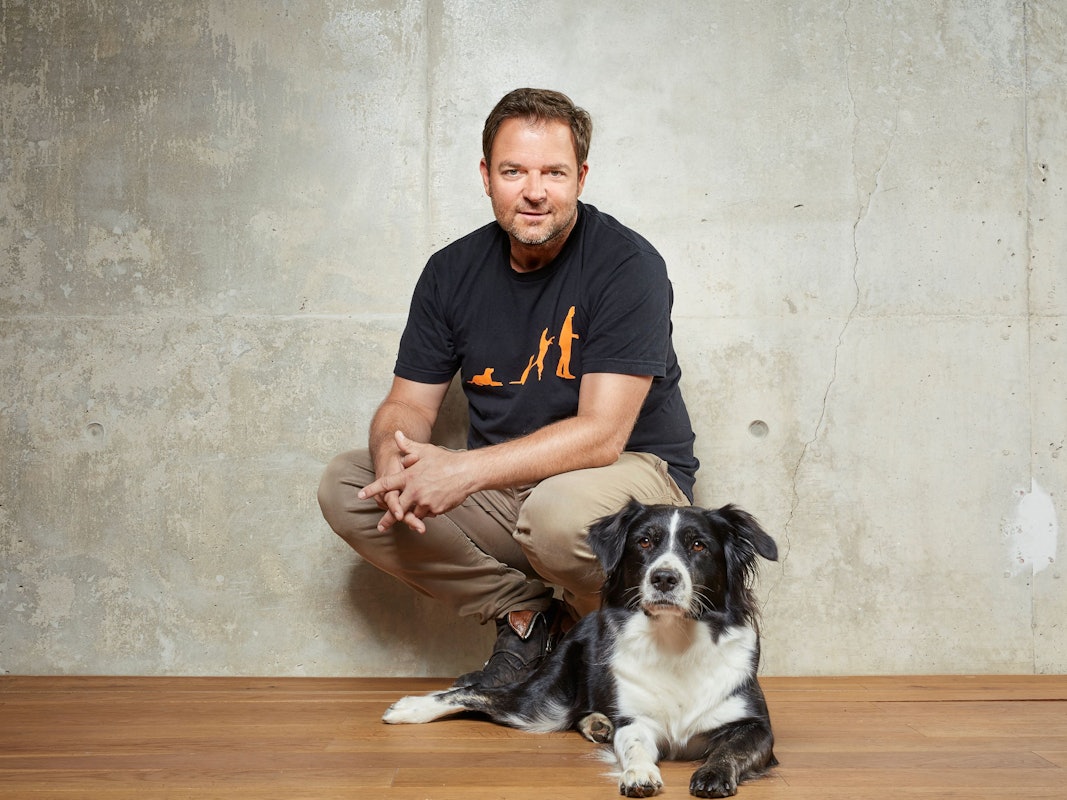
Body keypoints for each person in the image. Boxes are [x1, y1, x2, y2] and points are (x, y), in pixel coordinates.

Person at [318, 88, 699, 688]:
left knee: (556, 513)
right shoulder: (451, 271)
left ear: (581, 177)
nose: (535, 191)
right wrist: (396, 461)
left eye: (554, 172)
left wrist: (462, 471)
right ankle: (529, 617)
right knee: (351, 485)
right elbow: (409, 404)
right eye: (514, 171)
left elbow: (601, 436)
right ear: (486, 176)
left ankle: (609, 639)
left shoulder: (627, 265)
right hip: (512, 491)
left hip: (629, 482)